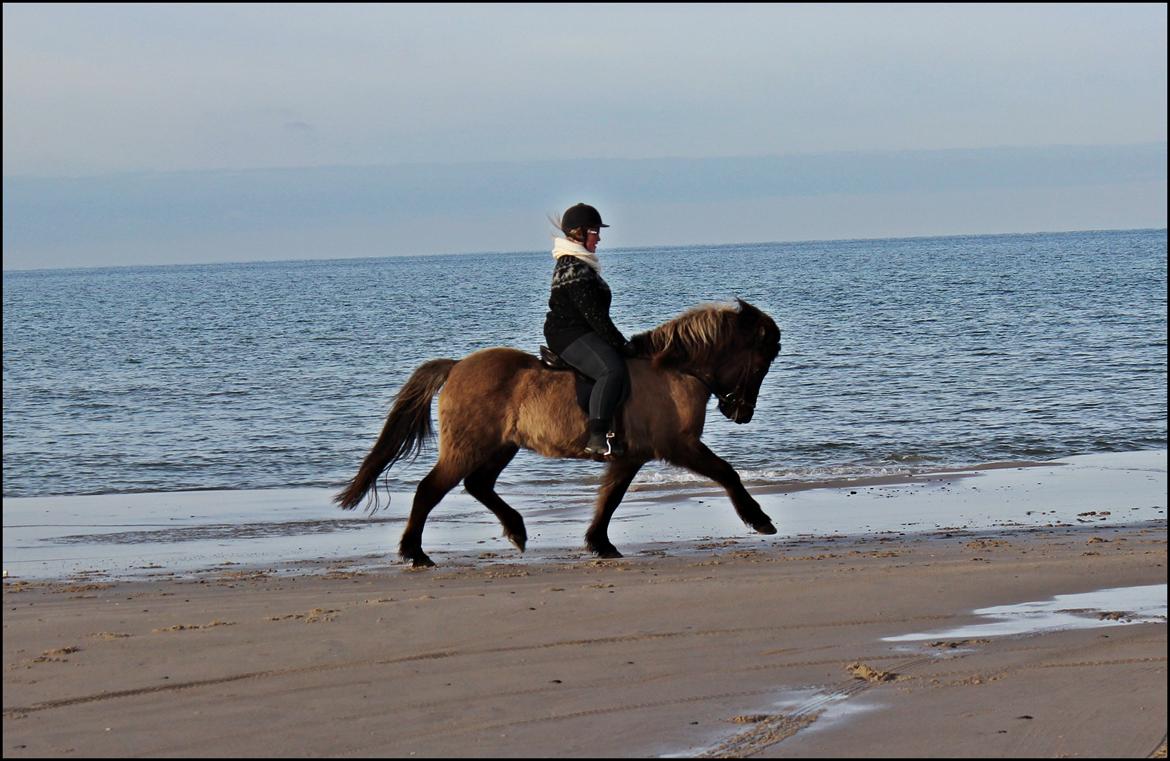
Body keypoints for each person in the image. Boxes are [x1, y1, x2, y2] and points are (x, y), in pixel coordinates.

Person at [543, 203, 632, 458]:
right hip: (568, 334)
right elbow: (594, 316)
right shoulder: (572, 266)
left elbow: (596, 318)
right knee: (611, 369)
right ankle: (597, 436)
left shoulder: (583, 263)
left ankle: (617, 430)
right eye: (595, 231)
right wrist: (621, 344)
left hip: (581, 331)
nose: (599, 238)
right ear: (578, 233)